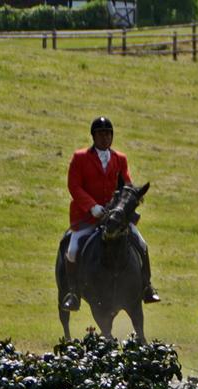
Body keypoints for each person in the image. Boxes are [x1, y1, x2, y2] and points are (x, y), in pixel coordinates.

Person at [60, 116, 158, 311]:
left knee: (142, 244)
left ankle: (147, 287)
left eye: (108, 134)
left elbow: (126, 185)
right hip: (87, 217)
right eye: (100, 134)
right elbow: (74, 186)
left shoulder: (120, 159)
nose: (104, 138)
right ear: (93, 136)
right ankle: (73, 293)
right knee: (71, 251)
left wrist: (123, 208)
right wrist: (92, 206)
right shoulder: (80, 157)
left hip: (116, 218)